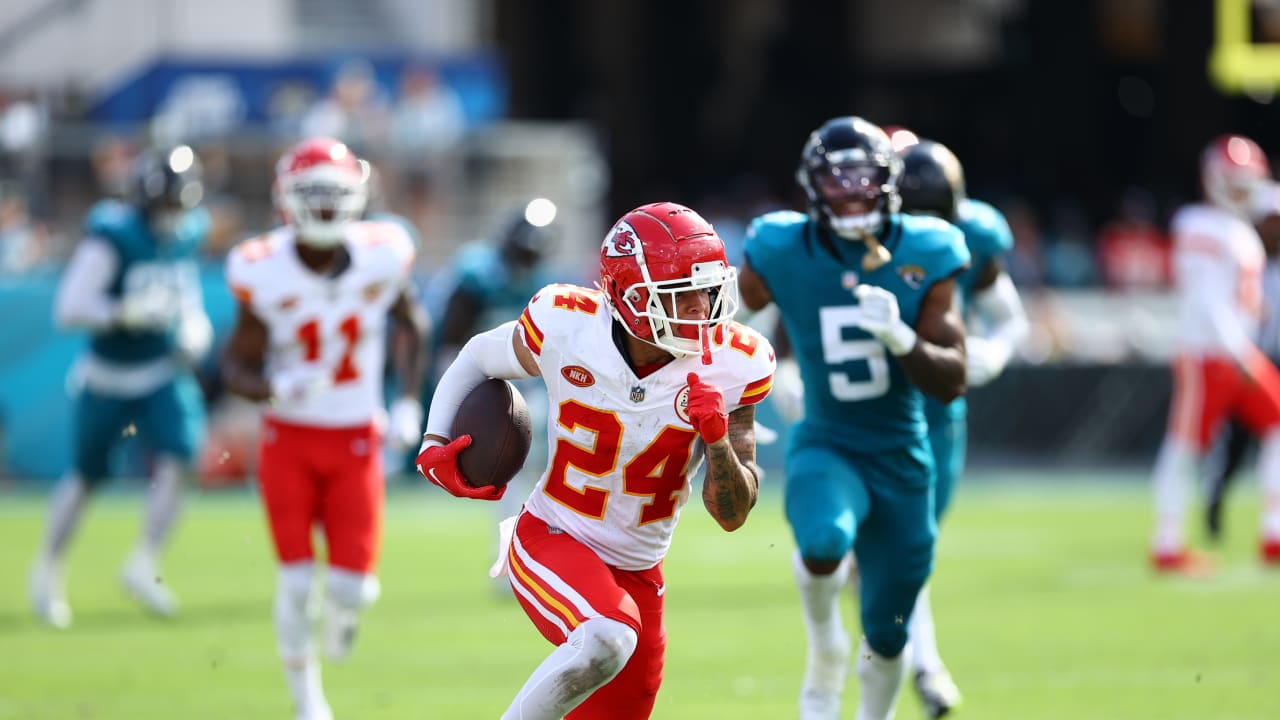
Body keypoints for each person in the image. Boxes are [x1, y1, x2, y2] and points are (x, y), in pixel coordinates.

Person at [415, 201, 775, 719]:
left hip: (639, 570)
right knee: (607, 637)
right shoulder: (569, 324)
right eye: (683, 295)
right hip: (553, 535)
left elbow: (732, 513)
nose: (702, 309)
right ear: (629, 297)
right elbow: (476, 355)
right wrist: (433, 440)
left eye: (708, 290)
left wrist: (717, 440)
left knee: (618, 657)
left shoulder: (736, 362)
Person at [737, 116, 969, 720]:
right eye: (835, 180)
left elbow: (953, 377)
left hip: (902, 455)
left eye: (862, 177)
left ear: (887, 180)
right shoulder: (781, 247)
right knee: (823, 541)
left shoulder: (928, 249)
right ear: (812, 187)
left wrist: (901, 337)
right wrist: (744, 388)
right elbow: (726, 319)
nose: (850, 191)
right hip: (827, 440)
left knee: (890, 633)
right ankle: (824, 650)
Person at [221, 137, 427, 720]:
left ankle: (341, 623)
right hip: (288, 437)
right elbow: (234, 364)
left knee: (353, 590)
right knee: (294, 581)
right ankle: (307, 699)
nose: (326, 207)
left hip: (356, 435)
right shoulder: (260, 268)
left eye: (335, 195)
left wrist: (408, 399)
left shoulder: (385, 252)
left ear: (358, 196)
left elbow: (412, 321)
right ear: (286, 200)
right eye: (314, 195)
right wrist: (272, 388)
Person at [29, 145, 213, 628]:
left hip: (160, 369)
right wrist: (121, 313)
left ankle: (144, 562)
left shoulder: (186, 232)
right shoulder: (114, 235)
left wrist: (196, 327)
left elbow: (186, 293)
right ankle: (49, 568)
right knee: (86, 476)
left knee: (183, 455)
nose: (175, 216)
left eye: (181, 205)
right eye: (167, 205)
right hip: (108, 374)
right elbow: (68, 308)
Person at [896, 137, 1028, 717]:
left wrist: (990, 356)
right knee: (906, 543)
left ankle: (912, 648)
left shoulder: (977, 234)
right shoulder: (863, 235)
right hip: (880, 405)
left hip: (941, 403)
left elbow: (1009, 318)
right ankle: (926, 663)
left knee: (917, 541)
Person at [1150, 133, 1280, 574]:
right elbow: (1207, 301)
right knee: (1185, 447)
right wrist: (1241, 352)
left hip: (1234, 354)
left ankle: (1273, 532)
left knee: (1276, 423)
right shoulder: (1198, 224)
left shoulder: (1239, 229)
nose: (1243, 191)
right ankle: (1167, 543)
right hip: (1209, 355)